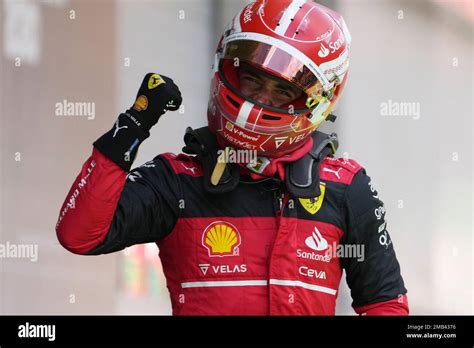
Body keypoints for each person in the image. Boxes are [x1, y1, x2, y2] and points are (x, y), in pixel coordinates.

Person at [56, 0, 409, 315]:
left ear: (319, 102)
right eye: (252, 78)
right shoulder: (178, 179)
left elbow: (385, 304)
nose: (260, 99)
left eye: (283, 91)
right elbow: (79, 234)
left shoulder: (346, 186)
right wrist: (133, 125)